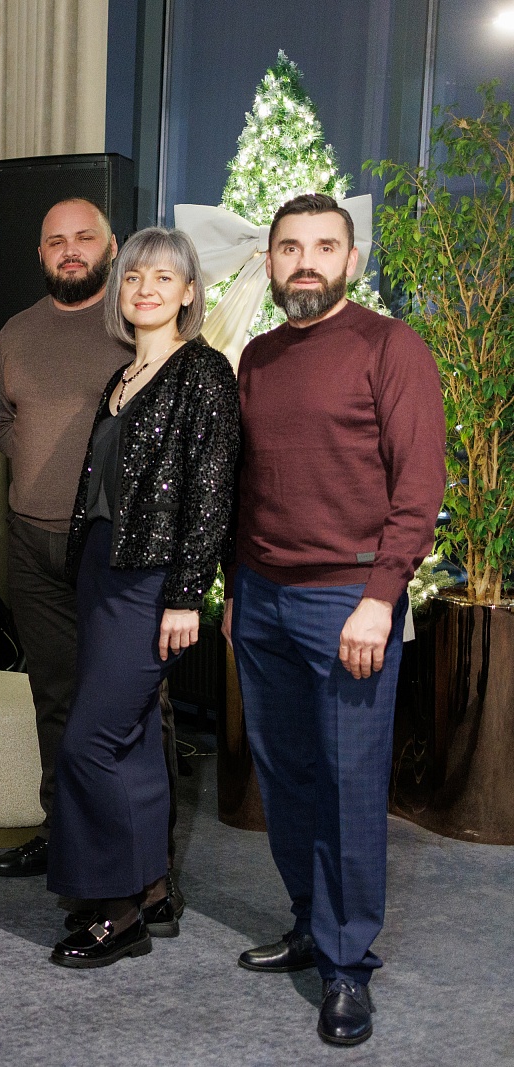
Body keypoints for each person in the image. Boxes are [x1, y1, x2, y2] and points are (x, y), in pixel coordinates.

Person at [225, 193, 445, 1045]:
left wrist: (381, 597)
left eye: (324, 246)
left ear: (351, 261)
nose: (306, 261)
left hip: (349, 602)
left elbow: (418, 489)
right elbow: (247, 482)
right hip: (262, 597)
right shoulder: (257, 356)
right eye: (291, 247)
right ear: (271, 262)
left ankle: (348, 964)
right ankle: (310, 924)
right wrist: (235, 587)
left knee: (350, 784)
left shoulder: (391, 346)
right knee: (285, 776)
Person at [44, 227, 238, 968]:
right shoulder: (120, 378)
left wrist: (187, 595)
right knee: (128, 739)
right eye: (133, 277)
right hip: (103, 568)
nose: (146, 288)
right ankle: (152, 886)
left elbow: (211, 493)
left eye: (163, 277)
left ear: (188, 291)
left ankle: (118, 912)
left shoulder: (204, 372)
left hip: (153, 581)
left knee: (89, 740)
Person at [0, 197, 189, 884]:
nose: (70, 250)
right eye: (56, 241)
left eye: (84, 238)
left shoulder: (135, 323)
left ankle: (153, 861)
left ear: (112, 247)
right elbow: (1, 421)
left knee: (136, 706)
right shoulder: (15, 333)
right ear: (41, 254)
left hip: (114, 550)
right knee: (53, 695)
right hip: (31, 541)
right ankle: (63, 833)